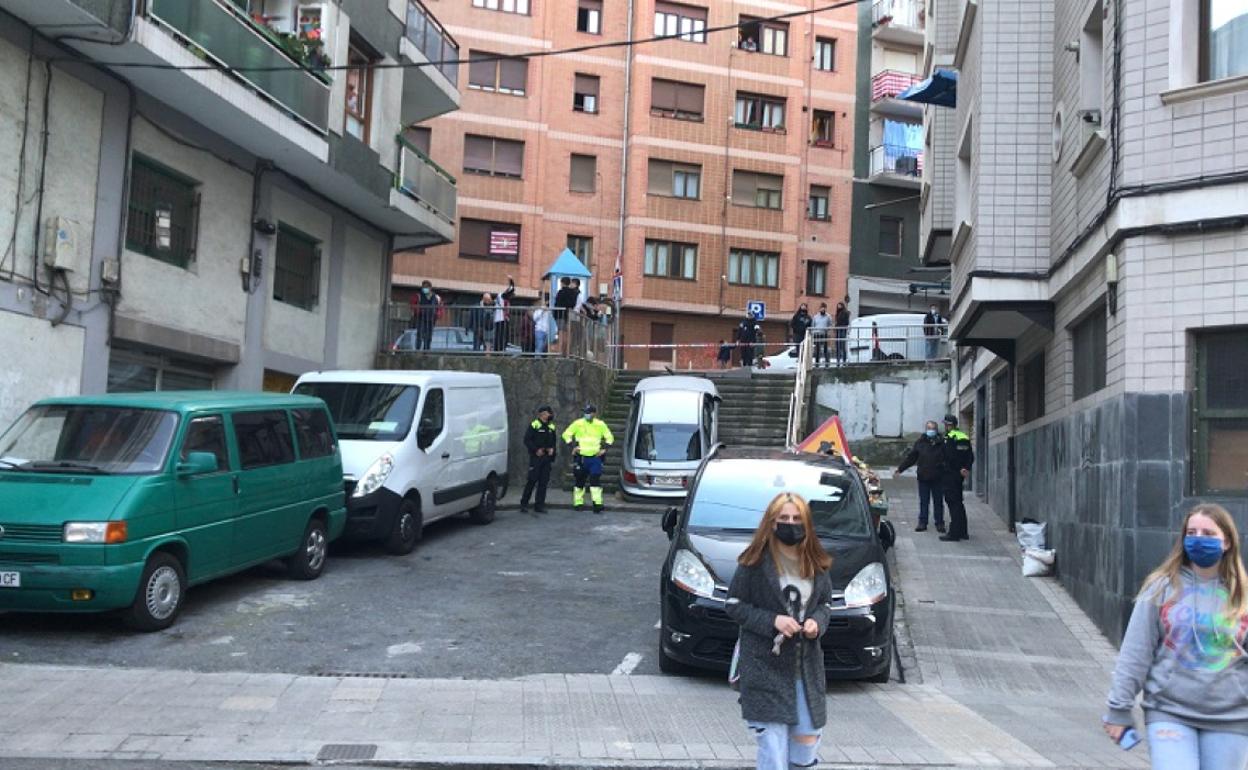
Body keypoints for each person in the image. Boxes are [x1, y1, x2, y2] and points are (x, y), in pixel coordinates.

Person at [1103, 503, 1248, 769]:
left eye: (1208, 533)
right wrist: (1119, 708)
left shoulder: (1242, 596)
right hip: (1170, 712)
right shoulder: (1161, 588)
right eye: (1192, 532)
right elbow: (1136, 652)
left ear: (1226, 541)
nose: (1199, 539)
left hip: (1231, 719)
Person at [725, 492, 835, 770]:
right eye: (783, 518)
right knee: (773, 750)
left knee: (805, 747)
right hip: (765, 668)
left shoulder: (816, 563)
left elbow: (825, 604)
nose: (790, 523)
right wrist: (772, 620)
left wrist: (816, 624)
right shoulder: (754, 562)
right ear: (771, 523)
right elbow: (734, 605)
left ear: (807, 524)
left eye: (797, 519)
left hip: (805, 670)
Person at [895, 421, 946, 533]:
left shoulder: (942, 443)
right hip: (923, 477)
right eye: (928, 428)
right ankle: (922, 522)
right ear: (925, 429)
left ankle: (940, 523)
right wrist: (900, 469)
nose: (930, 430)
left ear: (936, 430)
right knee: (924, 501)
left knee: (938, 501)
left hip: (938, 477)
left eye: (932, 428)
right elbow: (911, 458)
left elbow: (947, 459)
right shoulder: (920, 442)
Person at [562, 404, 614, 513]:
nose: (586, 414)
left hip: (595, 458)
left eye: (588, 412)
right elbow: (566, 434)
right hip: (581, 457)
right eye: (585, 412)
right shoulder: (578, 423)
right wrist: (572, 446)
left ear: (594, 413)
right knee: (579, 480)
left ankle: (597, 503)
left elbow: (610, 437)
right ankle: (578, 503)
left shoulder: (600, 424)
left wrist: (605, 449)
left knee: (595, 479)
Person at [937, 414, 973, 542]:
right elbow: (970, 455)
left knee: (953, 503)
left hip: (951, 474)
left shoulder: (951, 437)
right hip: (957, 474)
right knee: (958, 502)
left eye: (946, 424)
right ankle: (963, 531)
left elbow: (951, 457)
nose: (945, 427)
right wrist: (966, 468)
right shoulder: (961, 436)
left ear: (949, 425)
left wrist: (960, 468)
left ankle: (954, 533)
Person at [519, 405, 558, 513]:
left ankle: (539, 505)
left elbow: (554, 441)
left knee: (543, 482)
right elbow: (527, 440)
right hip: (536, 457)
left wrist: (552, 450)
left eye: (550, 413)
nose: (550, 415)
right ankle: (524, 504)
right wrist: (536, 450)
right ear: (542, 414)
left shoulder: (551, 426)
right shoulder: (534, 425)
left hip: (547, 458)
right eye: (548, 413)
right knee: (531, 480)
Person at [409, 281, 440, 351]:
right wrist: (418, 311)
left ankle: (426, 350)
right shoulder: (418, 296)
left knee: (429, 335)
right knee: (420, 333)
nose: (424, 288)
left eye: (426, 287)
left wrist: (437, 315)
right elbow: (412, 304)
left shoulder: (436, 297)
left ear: (430, 288)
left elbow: (440, 307)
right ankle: (418, 349)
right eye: (423, 287)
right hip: (421, 317)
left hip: (431, 319)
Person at [492, 276, 516, 353]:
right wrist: (511, 281)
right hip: (501, 319)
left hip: (499, 319)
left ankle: (499, 350)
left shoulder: (501, 296)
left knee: (499, 336)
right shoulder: (502, 296)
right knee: (501, 336)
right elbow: (511, 288)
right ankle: (500, 350)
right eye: (511, 296)